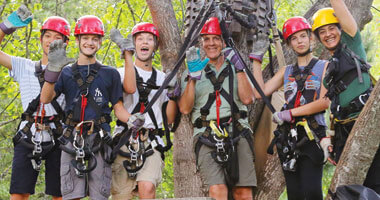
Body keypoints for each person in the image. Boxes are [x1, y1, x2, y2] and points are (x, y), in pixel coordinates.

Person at [40, 15, 143, 200]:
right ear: (77, 40)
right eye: (85, 38)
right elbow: (45, 98)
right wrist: (52, 71)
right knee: (71, 195)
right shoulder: (65, 72)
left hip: (100, 137)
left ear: (101, 42)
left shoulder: (109, 73)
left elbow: (118, 107)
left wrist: (131, 119)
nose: (90, 43)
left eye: (94, 39)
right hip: (72, 136)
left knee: (99, 195)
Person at [252, 17, 330, 199]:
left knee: (312, 192)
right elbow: (259, 93)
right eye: (294, 38)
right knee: (294, 194)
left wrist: (290, 112)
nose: (300, 41)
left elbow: (324, 101)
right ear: (289, 44)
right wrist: (256, 59)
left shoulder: (324, 66)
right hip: (289, 137)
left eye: (303, 36)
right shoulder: (285, 72)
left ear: (311, 38)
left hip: (313, 134)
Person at [178, 17, 256, 200]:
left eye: (216, 38)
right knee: (217, 191)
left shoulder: (237, 68)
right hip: (206, 134)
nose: (211, 43)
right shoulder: (191, 70)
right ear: (201, 43)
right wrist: (192, 78)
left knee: (243, 192)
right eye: (207, 39)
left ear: (223, 42)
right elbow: (184, 109)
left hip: (237, 131)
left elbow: (248, 98)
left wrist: (239, 68)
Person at [0, 5, 68, 200]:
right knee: (18, 194)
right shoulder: (24, 66)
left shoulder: (70, 72)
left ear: (65, 44)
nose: (51, 41)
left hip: (58, 134)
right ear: (40, 39)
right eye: (47, 36)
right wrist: (6, 27)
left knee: (60, 194)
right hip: (29, 134)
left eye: (57, 37)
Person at [312, 0, 380, 193]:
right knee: (353, 189)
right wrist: (330, 140)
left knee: (375, 183)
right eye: (322, 32)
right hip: (344, 131)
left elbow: (341, 11)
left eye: (332, 28)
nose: (328, 34)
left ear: (341, 29)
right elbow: (330, 107)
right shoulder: (330, 69)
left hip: (365, 122)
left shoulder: (352, 45)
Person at [109, 22, 179, 199]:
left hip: (151, 140)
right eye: (140, 39)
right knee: (121, 195)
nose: (144, 42)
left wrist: (171, 94)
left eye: (149, 39)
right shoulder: (120, 73)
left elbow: (169, 119)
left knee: (147, 188)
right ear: (134, 44)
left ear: (155, 45)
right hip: (124, 137)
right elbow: (128, 91)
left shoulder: (163, 78)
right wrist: (127, 56)